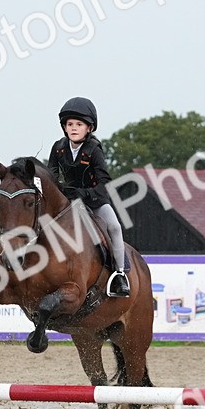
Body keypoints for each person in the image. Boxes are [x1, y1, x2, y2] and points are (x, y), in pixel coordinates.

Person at [46, 96, 130, 297]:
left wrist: (84, 193)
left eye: (79, 124)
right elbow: (51, 176)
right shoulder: (58, 148)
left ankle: (119, 275)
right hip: (68, 202)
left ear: (89, 128)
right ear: (64, 127)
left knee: (115, 227)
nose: (73, 128)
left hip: (95, 201)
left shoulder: (94, 150)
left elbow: (105, 184)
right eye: (70, 124)